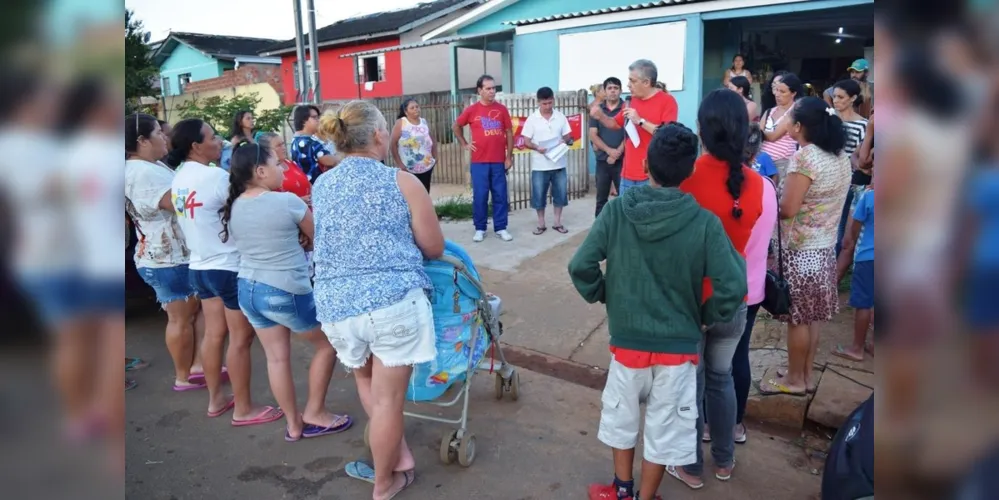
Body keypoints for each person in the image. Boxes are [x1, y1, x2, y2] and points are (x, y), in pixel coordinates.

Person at [569, 122, 747, 500]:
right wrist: (704, 315)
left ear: (645, 165)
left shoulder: (616, 212)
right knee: (664, 429)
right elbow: (734, 286)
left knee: (622, 420)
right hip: (678, 350)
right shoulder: (704, 223)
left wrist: (606, 294)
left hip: (627, 344)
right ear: (690, 169)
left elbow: (580, 266)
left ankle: (622, 491)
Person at [311, 100, 444, 500]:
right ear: (378, 135)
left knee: (367, 382)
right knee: (389, 402)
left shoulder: (322, 185)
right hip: (392, 304)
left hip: (336, 306)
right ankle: (385, 483)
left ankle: (398, 457)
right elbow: (434, 247)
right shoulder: (403, 182)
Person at [219, 144, 352, 441]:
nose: (282, 169)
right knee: (328, 345)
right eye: (276, 164)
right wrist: (305, 239)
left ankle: (293, 425)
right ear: (260, 171)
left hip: (248, 289)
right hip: (285, 289)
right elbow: (320, 239)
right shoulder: (287, 201)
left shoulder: (235, 204)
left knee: (276, 358)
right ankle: (315, 412)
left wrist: (298, 239)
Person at [669, 89, 763, 489]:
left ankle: (690, 467)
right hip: (732, 301)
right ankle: (724, 460)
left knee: (691, 385)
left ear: (702, 130)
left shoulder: (687, 177)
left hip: (691, 302)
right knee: (721, 379)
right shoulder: (756, 183)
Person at [168, 118, 282, 426]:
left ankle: (216, 399)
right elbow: (249, 206)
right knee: (240, 340)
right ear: (196, 146)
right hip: (228, 266)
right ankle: (243, 409)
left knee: (214, 334)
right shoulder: (215, 176)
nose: (219, 140)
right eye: (212, 137)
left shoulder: (178, 177)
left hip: (200, 266)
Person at [759, 97, 851, 396]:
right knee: (811, 318)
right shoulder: (839, 156)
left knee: (797, 319)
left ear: (798, 126)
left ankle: (795, 381)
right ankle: (805, 374)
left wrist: (766, 197)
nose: (784, 123)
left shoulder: (805, 158)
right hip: (823, 248)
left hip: (800, 252)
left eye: (788, 118)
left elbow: (788, 209)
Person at [126, 113, 207, 391]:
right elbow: (177, 204)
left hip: (167, 253)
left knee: (192, 314)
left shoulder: (149, 166)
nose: (165, 138)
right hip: (167, 256)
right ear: (142, 141)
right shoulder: (142, 172)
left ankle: (196, 366)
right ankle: (183, 376)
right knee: (181, 318)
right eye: (159, 134)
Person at [730, 130, 779, 445]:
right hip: (753, 287)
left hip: (720, 287)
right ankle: (735, 424)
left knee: (710, 359)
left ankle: (707, 422)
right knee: (739, 356)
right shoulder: (768, 187)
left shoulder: (723, 187)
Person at [589, 59, 679, 195]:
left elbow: (668, 135)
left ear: (646, 82)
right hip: (627, 174)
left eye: (633, 81)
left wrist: (640, 121)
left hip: (651, 175)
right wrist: (601, 116)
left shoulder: (667, 101)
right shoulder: (631, 101)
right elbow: (615, 124)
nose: (628, 85)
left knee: (647, 209)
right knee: (625, 208)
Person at [453, 74, 515, 242]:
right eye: (488, 88)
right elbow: (456, 126)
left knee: (500, 195)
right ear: (480, 90)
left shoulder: (502, 109)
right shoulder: (472, 110)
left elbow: (509, 133)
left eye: (493, 88)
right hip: (479, 161)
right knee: (480, 196)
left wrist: (508, 157)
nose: (492, 91)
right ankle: (480, 228)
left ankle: (501, 227)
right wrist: (464, 143)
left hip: (498, 161)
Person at [521, 86, 573, 235]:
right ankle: (541, 224)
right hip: (540, 165)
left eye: (550, 103)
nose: (547, 106)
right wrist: (537, 147)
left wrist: (563, 141)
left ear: (553, 100)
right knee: (539, 195)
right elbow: (526, 141)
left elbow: (568, 135)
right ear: (538, 102)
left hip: (559, 163)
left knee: (560, 194)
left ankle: (557, 222)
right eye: (544, 103)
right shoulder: (532, 119)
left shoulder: (560, 117)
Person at [834, 183, 875, 362]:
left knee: (863, 304)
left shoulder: (869, 196)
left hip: (868, 256)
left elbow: (855, 228)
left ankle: (857, 348)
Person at [830, 79, 870, 257]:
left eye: (841, 97)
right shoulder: (827, 120)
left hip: (848, 180)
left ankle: (835, 259)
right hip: (825, 177)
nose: (836, 100)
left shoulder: (863, 125)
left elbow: (859, 155)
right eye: (834, 96)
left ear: (853, 98)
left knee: (841, 223)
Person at [590, 77, 627, 217]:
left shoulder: (626, 109)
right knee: (601, 199)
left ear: (621, 91)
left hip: (622, 161)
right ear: (604, 91)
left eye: (616, 88)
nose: (613, 91)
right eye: (609, 88)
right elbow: (593, 135)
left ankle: (623, 227)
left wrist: (617, 152)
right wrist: (609, 151)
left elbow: (629, 134)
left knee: (624, 199)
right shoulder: (597, 110)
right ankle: (600, 227)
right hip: (602, 160)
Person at [760, 72, 804, 178]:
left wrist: (758, 132)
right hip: (762, 163)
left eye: (782, 92)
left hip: (781, 164)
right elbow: (758, 136)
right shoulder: (769, 111)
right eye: (777, 90)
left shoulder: (794, 112)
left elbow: (773, 136)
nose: (777, 94)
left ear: (793, 93)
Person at [390, 98, 437, 193]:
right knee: (412, 193)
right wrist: (400, 164)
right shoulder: (401, 123)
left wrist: (435, 156)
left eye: (417, 107)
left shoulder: (423, 122)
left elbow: (432, 139)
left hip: (426, 166)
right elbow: (392, 144)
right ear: (406, 112)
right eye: (412, 108)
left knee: (425, 191)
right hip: (408, 168)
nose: (416, 109)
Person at [257, 132, 312, 208]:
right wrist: (298, 201)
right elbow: (270, 202)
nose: (284, 148)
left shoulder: (290, 163)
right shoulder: (267, 172)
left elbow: (307, 183)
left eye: (283, 144)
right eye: (278, 146)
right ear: (266, 150)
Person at [291, 104, 339, 183]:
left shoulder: (295, 139)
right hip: (317, 185)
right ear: (303, 120)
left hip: (305, 185)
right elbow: (331, 161)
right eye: (314, 117)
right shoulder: (310, 141)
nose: (318, 120)